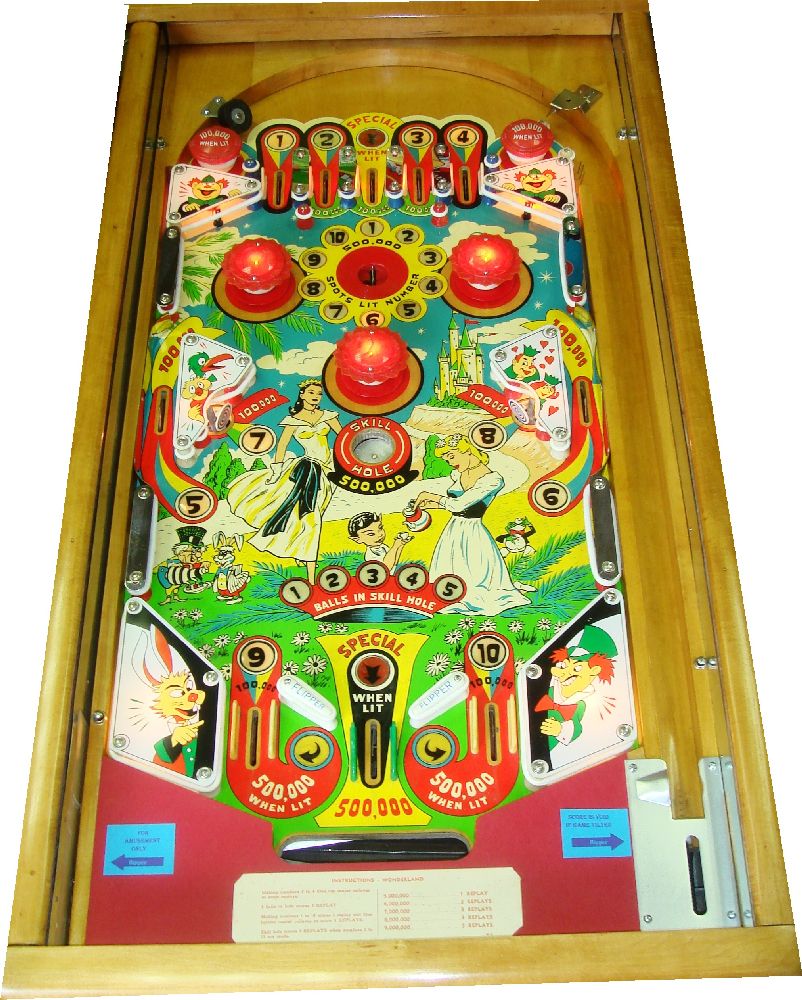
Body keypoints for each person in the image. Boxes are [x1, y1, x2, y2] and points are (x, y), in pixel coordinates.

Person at [227, 379, 341, 581]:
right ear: (302, 395)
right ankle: (311, 576)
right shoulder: (293, 421)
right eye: (311, 392)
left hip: (329, 469)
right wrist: (276, 470)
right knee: (311, 517)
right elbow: (281, 447)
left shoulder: (328, 416)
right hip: (308, 470)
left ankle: (299, 550)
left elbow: (343, 436)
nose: (316, 397)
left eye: (318, 394)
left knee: (316, 512)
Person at [413, 434, 529, 615]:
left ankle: (472, 600)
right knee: (448, 567)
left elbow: (460, 504)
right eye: (446, 460)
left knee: (474, 571)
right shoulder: (458, 474)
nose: (450, 463)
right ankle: (449, 597)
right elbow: (454, 506)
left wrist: (430, 496)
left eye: (452, 457)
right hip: (452, 529)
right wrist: (431, 505)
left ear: (467, 450)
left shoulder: (493, 480)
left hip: (472, 531)